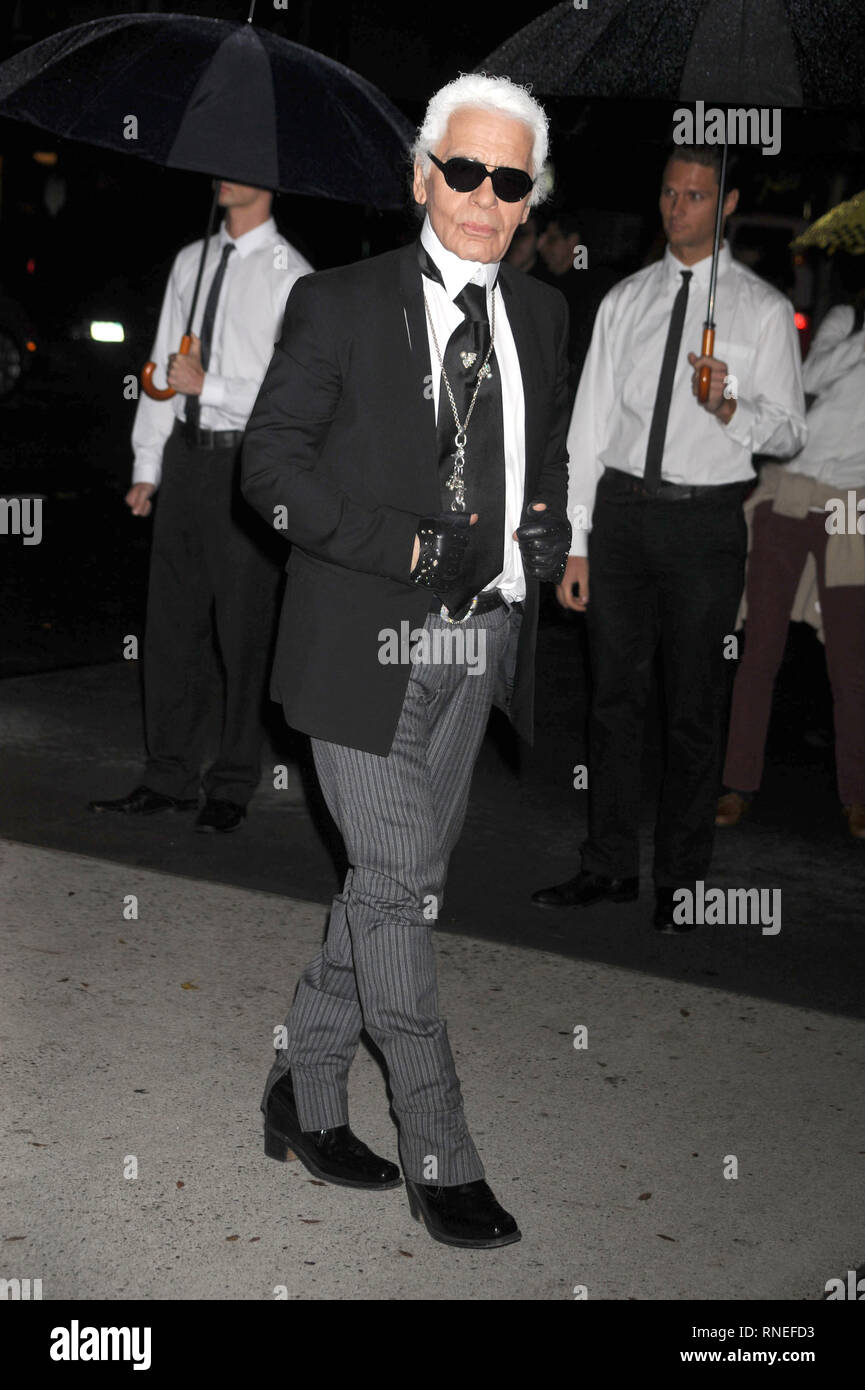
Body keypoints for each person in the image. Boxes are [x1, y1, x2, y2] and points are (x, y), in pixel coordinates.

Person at [241, 74, 571, 1248]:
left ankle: (300, 1085)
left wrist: (548, 527)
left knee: (390, 887)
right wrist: (408, 543)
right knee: (393, 892)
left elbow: (542, 459)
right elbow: (268, 470)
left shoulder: (539, 316)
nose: (485, 198)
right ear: (425, 174)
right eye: (466, 171)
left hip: (474, 643)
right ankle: (441, 1144)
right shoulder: (336, 302)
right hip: (357, 645)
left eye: (510, 180)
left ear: (529, 200)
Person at [532, 144, 807, 932]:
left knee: (692, 708)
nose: (675, 207)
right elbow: (588, 425)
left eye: (693, 195)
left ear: (723, 206)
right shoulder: (625, 299)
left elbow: (789, 434)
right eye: (667, 192)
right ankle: (607, 864)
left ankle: (680, 879)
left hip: (702, 522)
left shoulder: (756, 308)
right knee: (611, 703)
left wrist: (730, 409)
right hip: (620, 517)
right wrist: (576, 538)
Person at [89, 181, 312, 831]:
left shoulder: (290, 276)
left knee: (243, 632)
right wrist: (147, 463)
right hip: (186, 456)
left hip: (247, 462)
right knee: (170, 623)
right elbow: (161, 366)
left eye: (240, 163)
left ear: (268, 180)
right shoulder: (192, 260)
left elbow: (292, 391)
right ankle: (168, 776)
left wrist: (209, 384)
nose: (223, 174)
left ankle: (232, 785)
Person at [716, 294, 865, 839]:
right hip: (790, 488)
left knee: (851, 658)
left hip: (853, 504)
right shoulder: (848, 319)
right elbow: (807, 379)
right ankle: (737, 784)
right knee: (761, 649)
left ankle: (858, 795)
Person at [535, 211, 620, 399]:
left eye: (552, 239)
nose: (540, 246)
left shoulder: (597, 287)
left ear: (572, 242)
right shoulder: (544, 284)